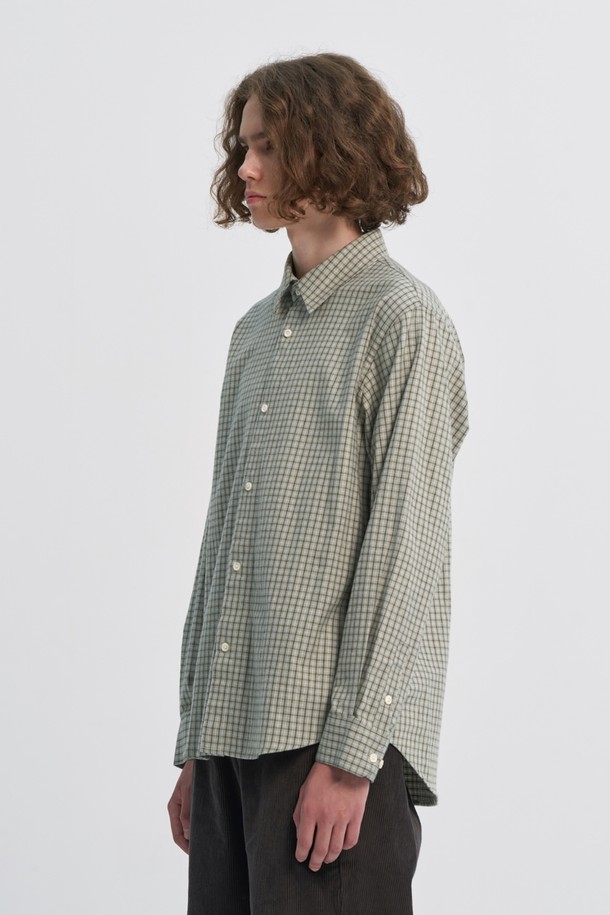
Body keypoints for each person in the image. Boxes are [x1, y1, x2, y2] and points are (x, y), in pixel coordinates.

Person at [167, 52, 469, 914]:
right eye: (243, 146)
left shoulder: (402, 321)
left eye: (267, 145)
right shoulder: (253, 335)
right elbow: (223, 543)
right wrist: (197, 740)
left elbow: (404, 552)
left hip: (332, 753)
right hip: (230, 744)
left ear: (331, 148)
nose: (244, 168)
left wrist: (349, 758)